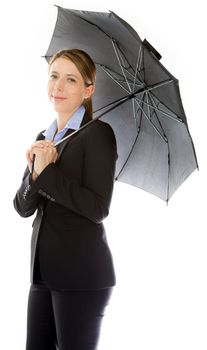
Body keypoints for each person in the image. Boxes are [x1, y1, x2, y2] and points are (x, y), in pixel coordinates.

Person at [13, 48, 118, 350]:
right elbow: (22, 207)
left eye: (70, 80)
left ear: (88, 90)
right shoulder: (44, 138)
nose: (58, 86)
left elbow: (98, 207)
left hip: (82, 276)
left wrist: (46, 173)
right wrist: (34, 176)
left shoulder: (97, 134)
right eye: (54, 76)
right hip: (43, 273)